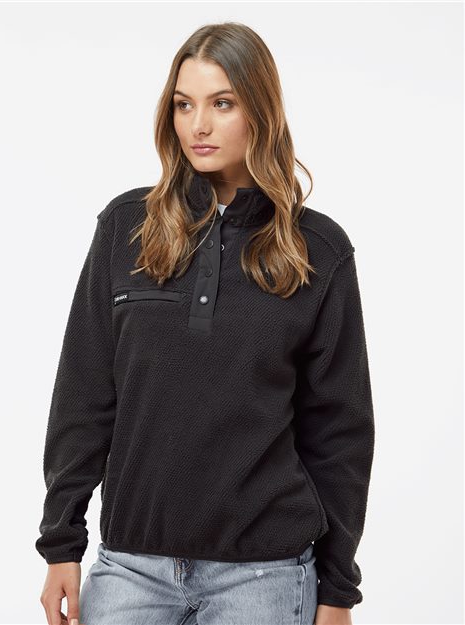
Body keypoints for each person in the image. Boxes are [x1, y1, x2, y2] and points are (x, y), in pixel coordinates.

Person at [36, 21, 375, 625]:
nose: (199, 125)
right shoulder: (126, 227)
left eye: (222, 103)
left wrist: (337, 591)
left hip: (266, 577)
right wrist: (61, 542)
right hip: (131, 568)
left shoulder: (318, 250)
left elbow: (340, 433)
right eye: (183, 104)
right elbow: (83, 394)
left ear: (260, 111)